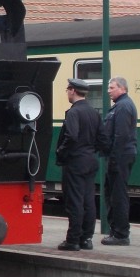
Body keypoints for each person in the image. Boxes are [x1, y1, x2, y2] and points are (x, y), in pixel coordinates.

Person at [54, 78, 101, 251]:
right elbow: (102, 138)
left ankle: (72, 240)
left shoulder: (73, 113)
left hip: (75, 162)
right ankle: (86, 239)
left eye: (68, 90)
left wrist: (61, 151)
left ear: (72, 90)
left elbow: (71, 136)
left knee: (74, 201)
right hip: (90, 160)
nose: (67, 93)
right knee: (88, 200)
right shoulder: (94, 112)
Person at [98, 75, 138, 246]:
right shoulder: (120, 106)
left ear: (122, 88)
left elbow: (120, 136)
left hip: (120, 157)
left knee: (117, 195)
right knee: (112, 193)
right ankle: (116, 231)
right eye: (108, 88)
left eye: (111, 88)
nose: (108, 91)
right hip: (119, 156)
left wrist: (113, 159)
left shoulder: (122, 107)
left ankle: (121, 234)